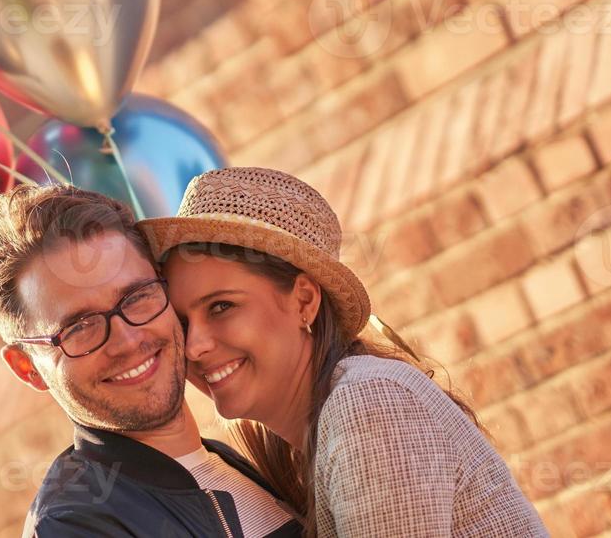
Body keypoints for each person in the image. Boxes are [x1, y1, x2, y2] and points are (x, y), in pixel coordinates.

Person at [140, 166, 549, 537]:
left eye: (221, 307)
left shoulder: (369, 405)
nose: (194, 346)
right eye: (182, 322)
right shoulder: (297, 444)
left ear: (304, 301)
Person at [0, 184, 304, 537]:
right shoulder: (73, 525)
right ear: (28, 368)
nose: (127, 341)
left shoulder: (225, 461)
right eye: (79, 327)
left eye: (135, 297)